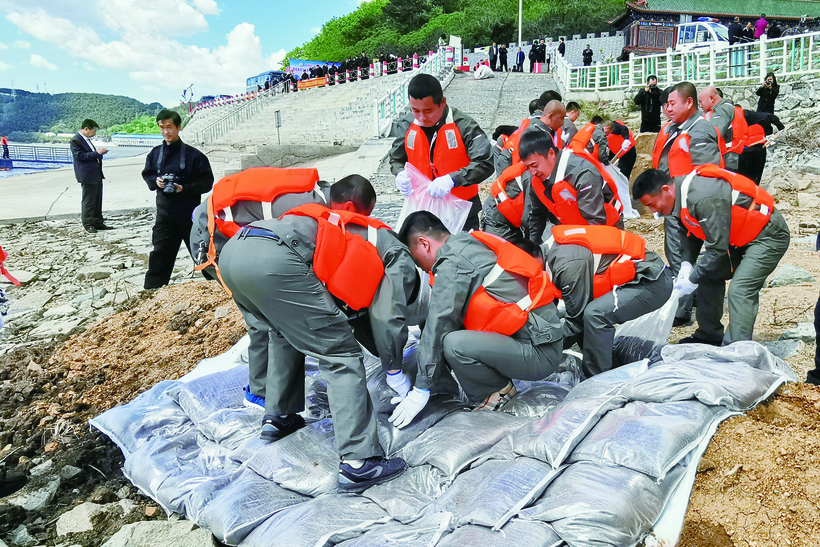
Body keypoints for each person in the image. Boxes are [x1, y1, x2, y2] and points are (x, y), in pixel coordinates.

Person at [218, 199, 409, 493]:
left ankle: (279, 416)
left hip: (234, 252)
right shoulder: (392, 250)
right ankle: (359, 462)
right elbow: (384, 314)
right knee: (341, 354)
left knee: (283, 329)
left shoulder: (346, 225)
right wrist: (393, 365)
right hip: (276, 259)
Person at [397, 210, 563, 415]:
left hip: (539, 351)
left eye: (417, 260)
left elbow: (439, 323)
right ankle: (450, 391)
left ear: (424, 243)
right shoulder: (468, 243)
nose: (422, 268)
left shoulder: (453, 261)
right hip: (534, 338)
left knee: (453, 343)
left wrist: (421, 388)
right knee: (438, 331)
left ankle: (497, 392)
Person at [634, 166, 789, 345]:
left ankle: (737, 349)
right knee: (707, 275)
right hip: (736, 238)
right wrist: (686, 265)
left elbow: (717, 249)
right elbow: (690, 233)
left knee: (740, 289)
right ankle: (708, 336)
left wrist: (691, 278)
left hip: (767, 235)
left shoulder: (702, 197)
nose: (653, 211)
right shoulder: (679, 199)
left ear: (665, 189)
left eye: (652, 204)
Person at [542, 225, 672, 377]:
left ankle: (598, 379)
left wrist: (546, 352)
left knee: (595, 315)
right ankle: (607, 365)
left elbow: (576, 320)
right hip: (638, 279)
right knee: (588, 318)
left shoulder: (566, 265)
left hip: (651, 280)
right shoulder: (551, 253)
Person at [388, 73, 493, 231]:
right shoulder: (407, 124)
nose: (422, 117)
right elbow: (396, 158)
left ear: (442, 102)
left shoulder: (464, 126)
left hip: (461, 210)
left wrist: (452, 179)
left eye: (428, 110)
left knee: (462, 246)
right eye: (415, 110)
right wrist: (399, 173)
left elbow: (485, 162)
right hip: (422, 208)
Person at [142, 109, 214, 290]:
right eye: (162, 127)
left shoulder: (194, 155)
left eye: (169, 127)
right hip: (164, 215)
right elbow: (147, 174)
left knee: (202, 251)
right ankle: (152, 290)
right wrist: (156, 181)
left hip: (189, 215)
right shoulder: (155, 154)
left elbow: (206, 182)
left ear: (178, 127)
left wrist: (184, 188)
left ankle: (217, 284)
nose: (165, 131)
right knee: (160, 253)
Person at [519, 128, 625, 245]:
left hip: (606, 228)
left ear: (551, 153)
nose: (532, 172)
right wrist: (533, 248)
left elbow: (596, 222)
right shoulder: (536, 180)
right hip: (574, 228)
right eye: (527, 167)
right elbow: (537, 216)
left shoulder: (583, 173)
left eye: (534, 165)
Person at [70, 119, 110, 234]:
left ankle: (98, 222)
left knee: (97, 199)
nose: (95, 133)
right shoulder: (75, 140)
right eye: (94, 131)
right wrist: (97, 153)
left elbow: (91, 154)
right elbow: (80, 156)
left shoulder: (86, 140)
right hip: (87, 174)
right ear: (86, 129)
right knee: (88, 200)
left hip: (95, 173)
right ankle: (88, 224)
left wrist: (99, 154)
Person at [699, 85, 741, 171]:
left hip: (727, 159)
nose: (700, 105)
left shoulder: (721, 110)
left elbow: (714, 133)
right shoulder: (727, 107)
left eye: (701, 102)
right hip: (730, 157)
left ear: (711, 98)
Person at [738, 110, 784, 185]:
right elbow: (770, 117)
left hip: (746, 149)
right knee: (754, 177)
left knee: (744, 177)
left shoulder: (738, 117)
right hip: (758, 146)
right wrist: (780, 128)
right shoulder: (750, 116)